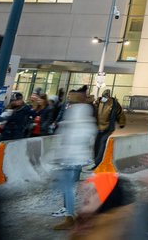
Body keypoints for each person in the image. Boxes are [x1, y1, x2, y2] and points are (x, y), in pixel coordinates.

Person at [51, 88, 95, 230]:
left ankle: (72, 216)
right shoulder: (80, 112)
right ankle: (73, 215)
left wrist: (65, 154)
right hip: (73, 157)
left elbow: (74, 135)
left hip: (73, 157)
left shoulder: (78, 112)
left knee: (67, 187)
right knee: (67, 186)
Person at [93, 89, 126, 164]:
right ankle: (96, 159)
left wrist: (121, 123)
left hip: (108, 127)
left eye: (106, 96)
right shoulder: (98, 102)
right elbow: (94, 111)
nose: (104, 98)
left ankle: (98, 161)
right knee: (96, 143)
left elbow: (120, 113)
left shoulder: (114, 104)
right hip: (98, 127)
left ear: (109, 96)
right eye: (103, 96)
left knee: (102, 143)